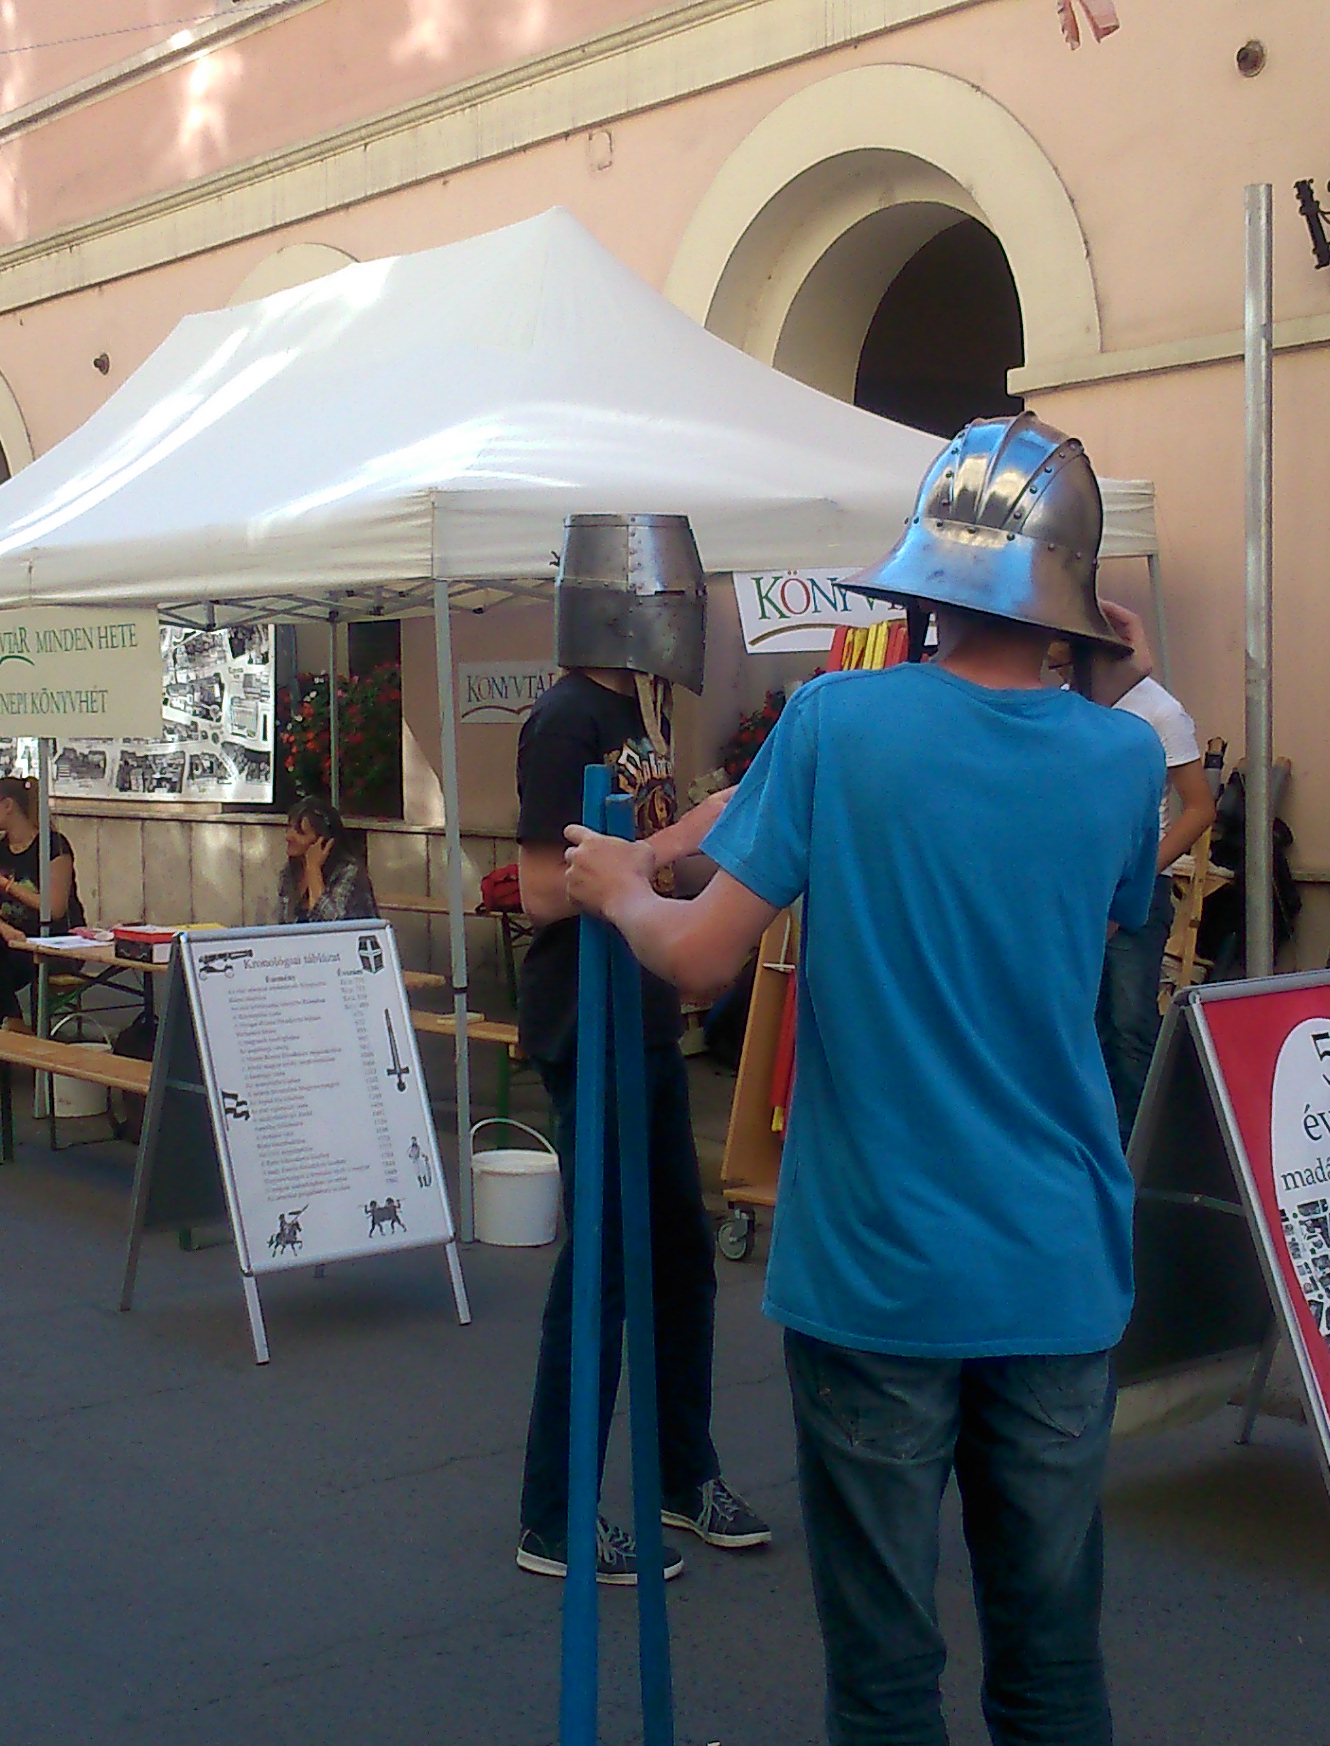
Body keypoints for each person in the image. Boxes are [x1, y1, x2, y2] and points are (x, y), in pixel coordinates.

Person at [563, 415, 1164, 1742]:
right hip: (1055, 1261)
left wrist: (617, 889)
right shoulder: (1124, 755)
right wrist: (1109, 678)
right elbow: (1106, 877)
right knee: (1052, 1668)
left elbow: (701, 958)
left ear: (925, 580)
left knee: (887, 1678)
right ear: (1070, 602)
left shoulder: (840, 721)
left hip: (879, 1268)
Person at [509, 512, 768, 1586]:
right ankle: (555, 1515)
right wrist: (677, 841)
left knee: (678, 1255)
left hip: (643, 1011)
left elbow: (647, 869)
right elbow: (544, 889)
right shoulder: (565, 715)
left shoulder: (633, 713)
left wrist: (728, 845)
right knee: (605, 1266)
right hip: (591, 1016)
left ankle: (679, 1472)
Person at [1066, 647, 1212, 1140]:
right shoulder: (1067, 703)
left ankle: (1142, 1149)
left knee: (1130, 1024)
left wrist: (1140, 875)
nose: (1056, 666)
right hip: (1079, 887)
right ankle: (1093, 1142)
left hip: (1138, 885)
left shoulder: (1160, 710)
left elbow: (1199, 807)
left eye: (1063, 656)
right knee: (1082, 1022)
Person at [0, 775, 83, 1030]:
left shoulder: (53, 845)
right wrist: (5, 929)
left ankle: (12, 1028)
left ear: (8, 805)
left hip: (55, 940)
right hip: (14, 939)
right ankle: (9, 1027)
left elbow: (54, 909)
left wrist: (6, 885)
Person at [275, 795, 378, 924]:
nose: (288, 837)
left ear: (323, 841)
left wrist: (314, 870)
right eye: (289, 828)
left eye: (300, 833)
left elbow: (332, 926)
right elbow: (284, 926)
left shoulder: (349, 873)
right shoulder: (289, 873)